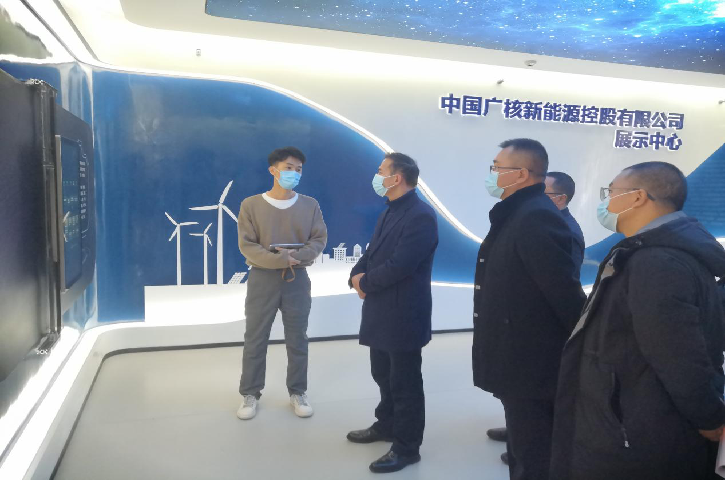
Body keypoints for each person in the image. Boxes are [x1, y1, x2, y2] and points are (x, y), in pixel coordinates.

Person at [550, 162, 725, 480]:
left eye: (611, 191)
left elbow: (679, 356)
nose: (606, 201)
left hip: (636, 432)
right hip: (631, 416)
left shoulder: (656, 263)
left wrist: (709, 417)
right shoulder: (655, 252)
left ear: (638, 197)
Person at [473, 138, 586, 480]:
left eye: (497, 168)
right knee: (523, 444)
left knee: (533, 452)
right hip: (515, 351)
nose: (492, 174)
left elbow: (562, 291)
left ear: (521, 173)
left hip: (530, 359)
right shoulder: (517, 212)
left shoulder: (535, 216)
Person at [346, 152, 439, 474]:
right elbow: (372, 253)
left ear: (396, 177)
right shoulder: (390, 210)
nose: (377, 175)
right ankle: (386, 424)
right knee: (382, 374)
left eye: (381, 170)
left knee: (405, 383)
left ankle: (407, 447)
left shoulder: (421, 215)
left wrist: (365, 283)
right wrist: (355, 276)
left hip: (403, 314)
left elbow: (402, 265)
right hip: (381, 310)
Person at [235, 147, 327, 420]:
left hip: (297, 279)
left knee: (298, 337)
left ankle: (298, 392)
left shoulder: (310, 205)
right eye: (288, 168)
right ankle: (250, 394)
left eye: (299, 169)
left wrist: (297, 257)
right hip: (262, 278)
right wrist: (279, 259)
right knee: (255, 337)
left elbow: (318, 240)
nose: (294, 173)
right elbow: (247, 245)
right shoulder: (251, 205)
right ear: (273, 170)